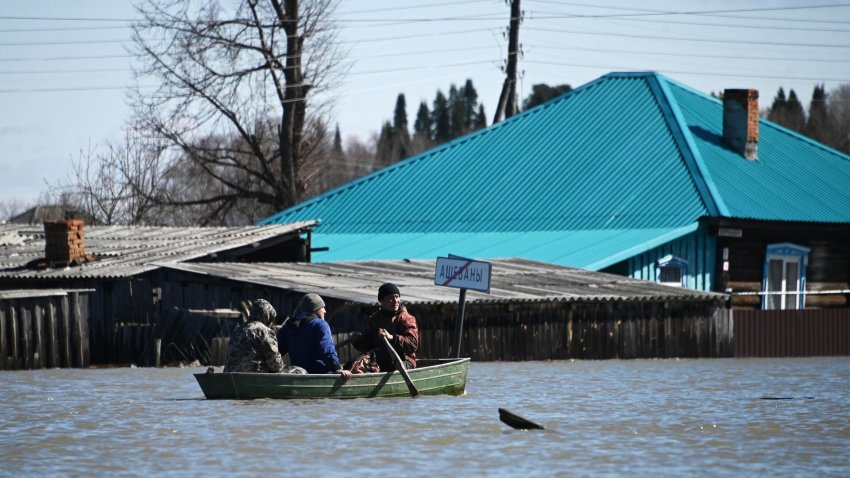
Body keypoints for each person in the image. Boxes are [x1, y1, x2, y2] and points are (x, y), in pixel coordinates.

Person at [278, 293, 352, 378]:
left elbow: (277, 351)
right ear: (315, 309)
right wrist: (337, 368)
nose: (325, 311)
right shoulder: (320, 324)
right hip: (321, 375)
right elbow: (327, 350)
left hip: (298, 377)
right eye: (322, 307)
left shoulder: (288, 326)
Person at [351, 282, 419, 371]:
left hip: (404, 361)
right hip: (381, 362)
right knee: (354, 366)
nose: (395, 301)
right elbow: (369, 344)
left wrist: (392, 337)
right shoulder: (375, 319)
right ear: (382, 300)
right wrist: (357, 340)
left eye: (397, 297)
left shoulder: (405, 318)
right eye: (391, 298)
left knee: (394, 367)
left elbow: (412, 344)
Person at [223, 298, 286, 373]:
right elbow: (275, 365)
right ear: (267, 316)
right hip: (253, 378)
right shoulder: (264, 331)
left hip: (230, 376)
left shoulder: (238, 330)